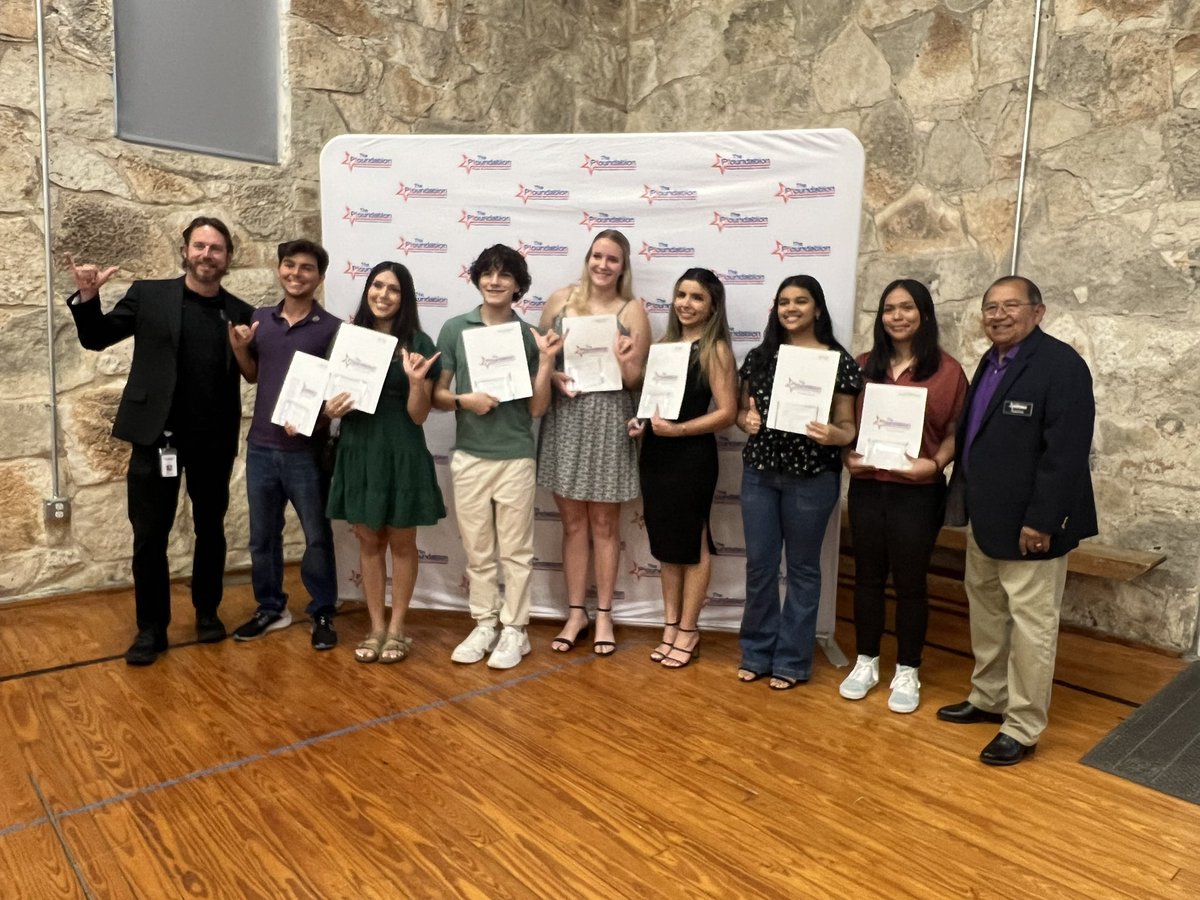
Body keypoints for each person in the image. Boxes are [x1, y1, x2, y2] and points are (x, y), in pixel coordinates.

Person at [66, 217, 254, 666]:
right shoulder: (149, 296)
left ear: (228, 258)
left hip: (213, 439)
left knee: (211, 530)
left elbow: (254, 372)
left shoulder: (242, 313)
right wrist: (89, 297)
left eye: (217, 249)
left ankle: (207, 612)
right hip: (155, 438)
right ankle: (151, 628)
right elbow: (95, 338)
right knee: (150, 536)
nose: (207, 255)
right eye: (200, 246)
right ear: (185, 250)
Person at [937, 275, 1096, 766]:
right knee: (987, 613)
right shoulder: (991, 361)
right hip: (986, 519)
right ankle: (989, 698)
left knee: (1032, 625)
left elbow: (1066, 454)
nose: (998, 315)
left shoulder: (1060, 365)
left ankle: (1023, 726)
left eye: (1011, 306)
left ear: (1038, 312)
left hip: (1032, 527)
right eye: (990, 308)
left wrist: (1043, 521)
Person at [839, 280, 967, 712]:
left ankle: (908, 669)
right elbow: (844, 425)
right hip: (869, 487)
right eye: (889, 309)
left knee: (911, 583)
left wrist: (935, 465)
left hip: (918, 491)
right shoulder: (861, 366)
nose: (897, 316)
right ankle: (865, 661)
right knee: (868, 578)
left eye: (907, 308)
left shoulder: (948, 371)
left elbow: (954, 433)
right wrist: (845, 457)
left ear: (924, 315)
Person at [433, 245, 561, 669]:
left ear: (517, 285)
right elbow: (437, 395)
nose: (495, 281)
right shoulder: (454, 328)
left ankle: (515, 630)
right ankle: (485, 622)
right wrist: (463, 401)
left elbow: (537, 408)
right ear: (477, 278)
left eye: (504, 275)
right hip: (470, 455)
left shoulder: (527, 336)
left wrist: (545, 362)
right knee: (478, 550)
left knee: (517, 552)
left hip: (515, 455)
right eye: (488, 273)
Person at [735, 275, 861, 690]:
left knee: (804, 570)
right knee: (760, 567)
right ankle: (756, 652)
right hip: (761, 474)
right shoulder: (760, 356)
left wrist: (835, 435)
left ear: (818, 309)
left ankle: (791, 660)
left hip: (812, 477)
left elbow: (848, 427)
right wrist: (746, 420)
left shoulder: (838, 360)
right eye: (784, 302)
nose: (791, 308)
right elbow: (742, 413)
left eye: (801, 301)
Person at [324, 262, 446, 663]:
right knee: (368, 540)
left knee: (402, 541)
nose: (383, 295)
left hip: (401, 448)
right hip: (359, 448)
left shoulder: (419, 342)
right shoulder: (347, 338)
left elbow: (419, 415)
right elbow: (328, 403)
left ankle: (397, 629)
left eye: (393, 289)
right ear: (367, 291)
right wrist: (330, 408)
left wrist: (415, 383)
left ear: (404, 297)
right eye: (377, 285)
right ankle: (375, 628)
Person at [538, 230, 650, 656]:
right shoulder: (560, 300)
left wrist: (626, 363)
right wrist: (551, 374)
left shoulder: (632, 309)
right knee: (572, 525)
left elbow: (639, 378)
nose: (603, 265)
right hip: (566, 416)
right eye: (597, 256)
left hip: (609, 420)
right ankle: (575, 613)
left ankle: (603, 613)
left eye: (613, 259)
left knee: (604, 525)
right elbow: (540, 357)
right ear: (587, 259)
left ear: (623, 267)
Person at [227, 240, 342, 651]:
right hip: (260, 448)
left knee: (315, 536)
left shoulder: (333, 328)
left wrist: (317, 418)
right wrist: (241, 350)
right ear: (279, 270)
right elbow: (254, 376)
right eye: (289, 265)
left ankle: (324, 609)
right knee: (262, 537)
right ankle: (271, 606)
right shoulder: (260, 320)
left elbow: (339, 395)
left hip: (306, 454)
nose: (296, 273)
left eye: (307, 268)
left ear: (320, 277)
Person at [627, 268, 737, 669]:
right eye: (681, 295)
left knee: (693, 541)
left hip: (692, 457)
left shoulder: (716, 350)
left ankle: (689, 630)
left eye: (696, 297)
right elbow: (653, 404)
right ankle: (670, 624)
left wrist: (681, 430)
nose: (686, 304)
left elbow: (727, 413)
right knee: (667, 545)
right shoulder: (664, 346)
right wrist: (640, 423)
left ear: (712, 306)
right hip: (656, 454)